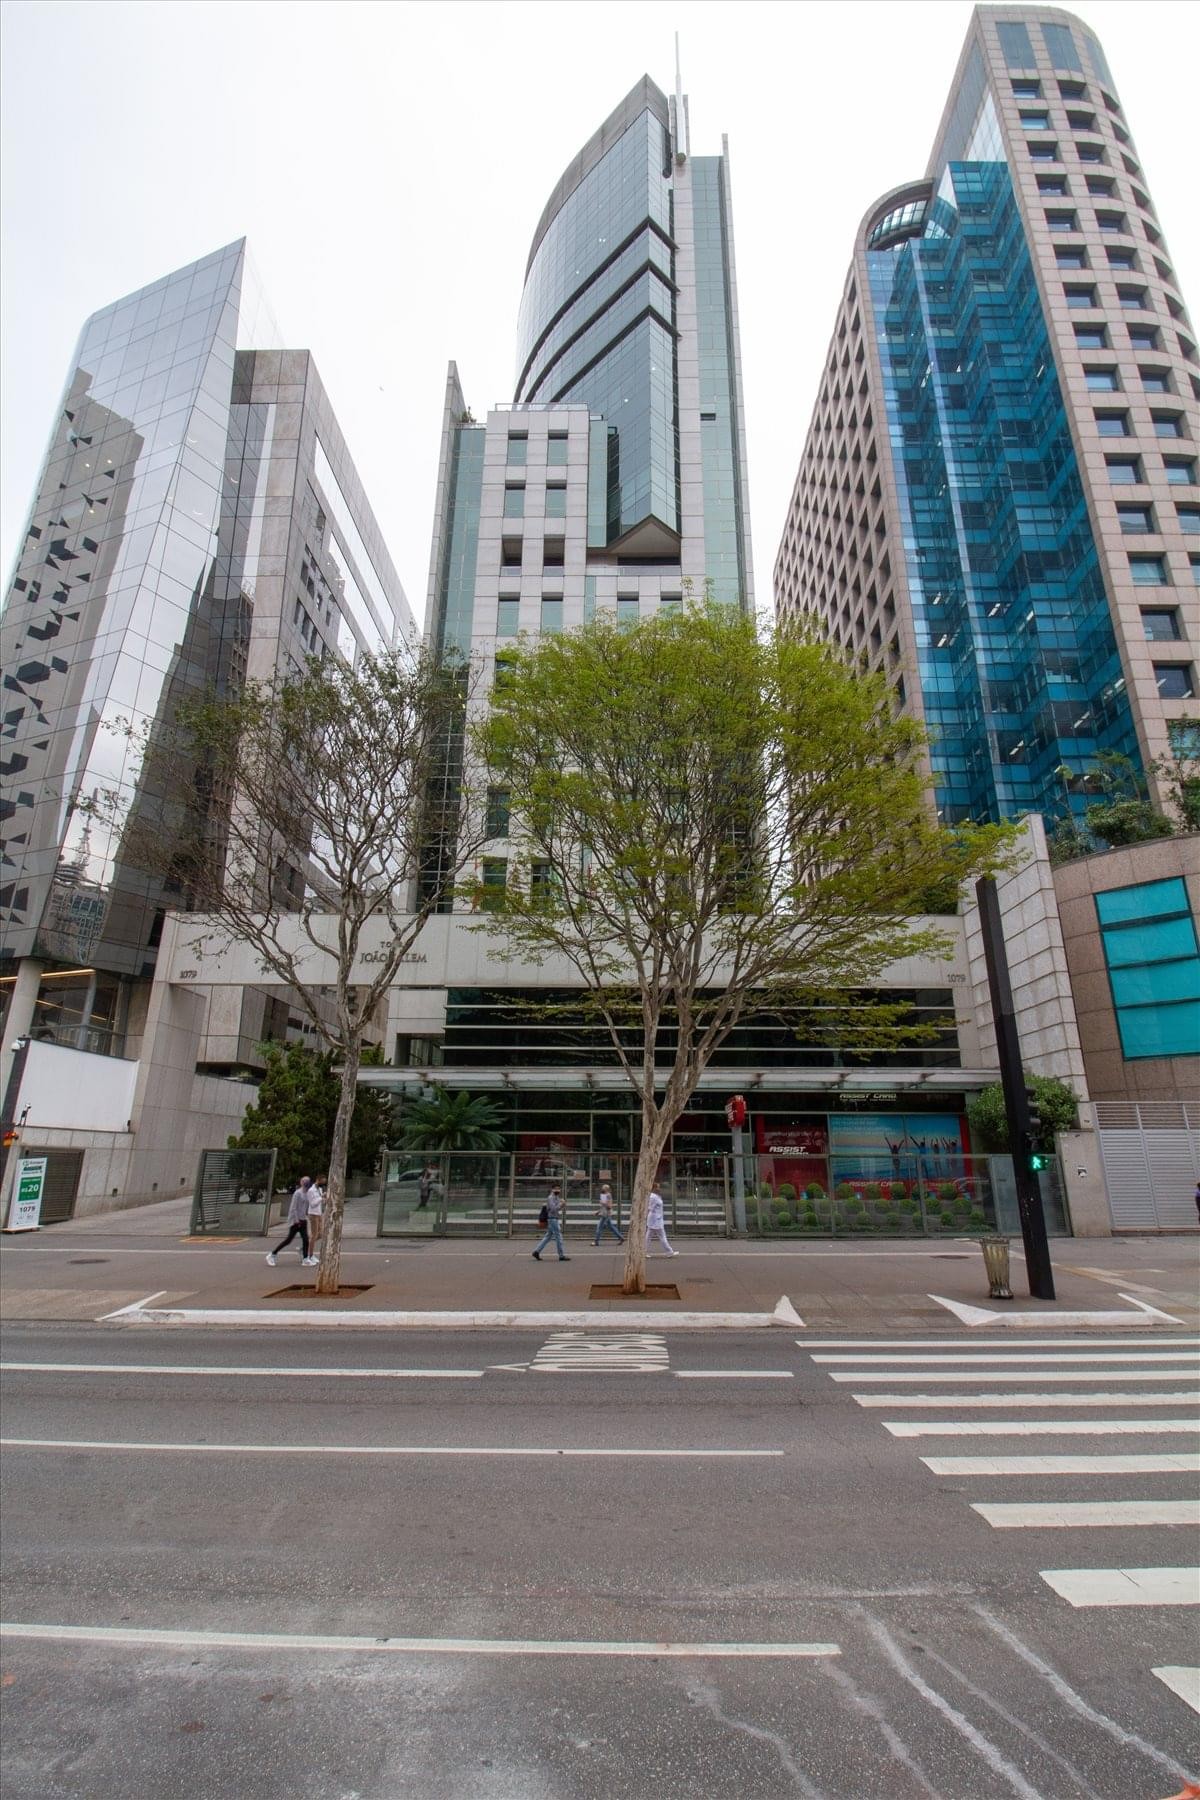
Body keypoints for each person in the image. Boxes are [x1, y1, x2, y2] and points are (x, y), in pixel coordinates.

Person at [267, 1177, 316, 1266]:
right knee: (288, 1240)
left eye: (308, 1181)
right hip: (296, 1221)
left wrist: (307, 1216)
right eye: (305, 1181)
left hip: (303, 1219)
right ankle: (272, 1254)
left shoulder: (307, 1193)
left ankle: (305, 1259)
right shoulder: (297, 1193)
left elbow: (307, 1206)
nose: (306, 1183)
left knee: (306, 1239)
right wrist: (297, 1221)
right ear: (301, 1182)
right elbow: (293, 1208)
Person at [532, 1185, 570, 1261]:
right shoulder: (550, 1198)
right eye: (555, 1189)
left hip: (554, 1219)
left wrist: (562, 1204)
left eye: (559, 1189)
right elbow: (553, 1209)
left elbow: (557, 1208)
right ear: (552, 1189)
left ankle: (536, 1251)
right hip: (552, 1219)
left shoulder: (556, 1197)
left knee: (548, 1236)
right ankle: (561, 1255)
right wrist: (561, 1204)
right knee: (558, 1236)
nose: (557, 1190)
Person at [646, 1182, 679, 1256]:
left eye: (659, 1187)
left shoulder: (656, 1196)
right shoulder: (653, 1197)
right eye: (657, 1187)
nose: (659, 1188)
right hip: (655, 1220)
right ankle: (669, 1252)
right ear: (653, 1188)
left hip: (656, 1219)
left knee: (648, 1237)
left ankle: (643, 1252)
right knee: (662, 1236)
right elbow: (650, 1208)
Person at [306, 1175, 326, 1258]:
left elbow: (320, 1202)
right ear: (318, 1180)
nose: (323, 1184)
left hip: (319, 1213)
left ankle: (306, 1247)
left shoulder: (320, 1189)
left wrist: (324, 1199)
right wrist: (321, 1197)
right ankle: (310, 1255)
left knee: (320, 1234)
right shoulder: (311, 1190)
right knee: (314, 1235)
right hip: (313, 1214)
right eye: (322, 1182)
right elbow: (312, 1204)